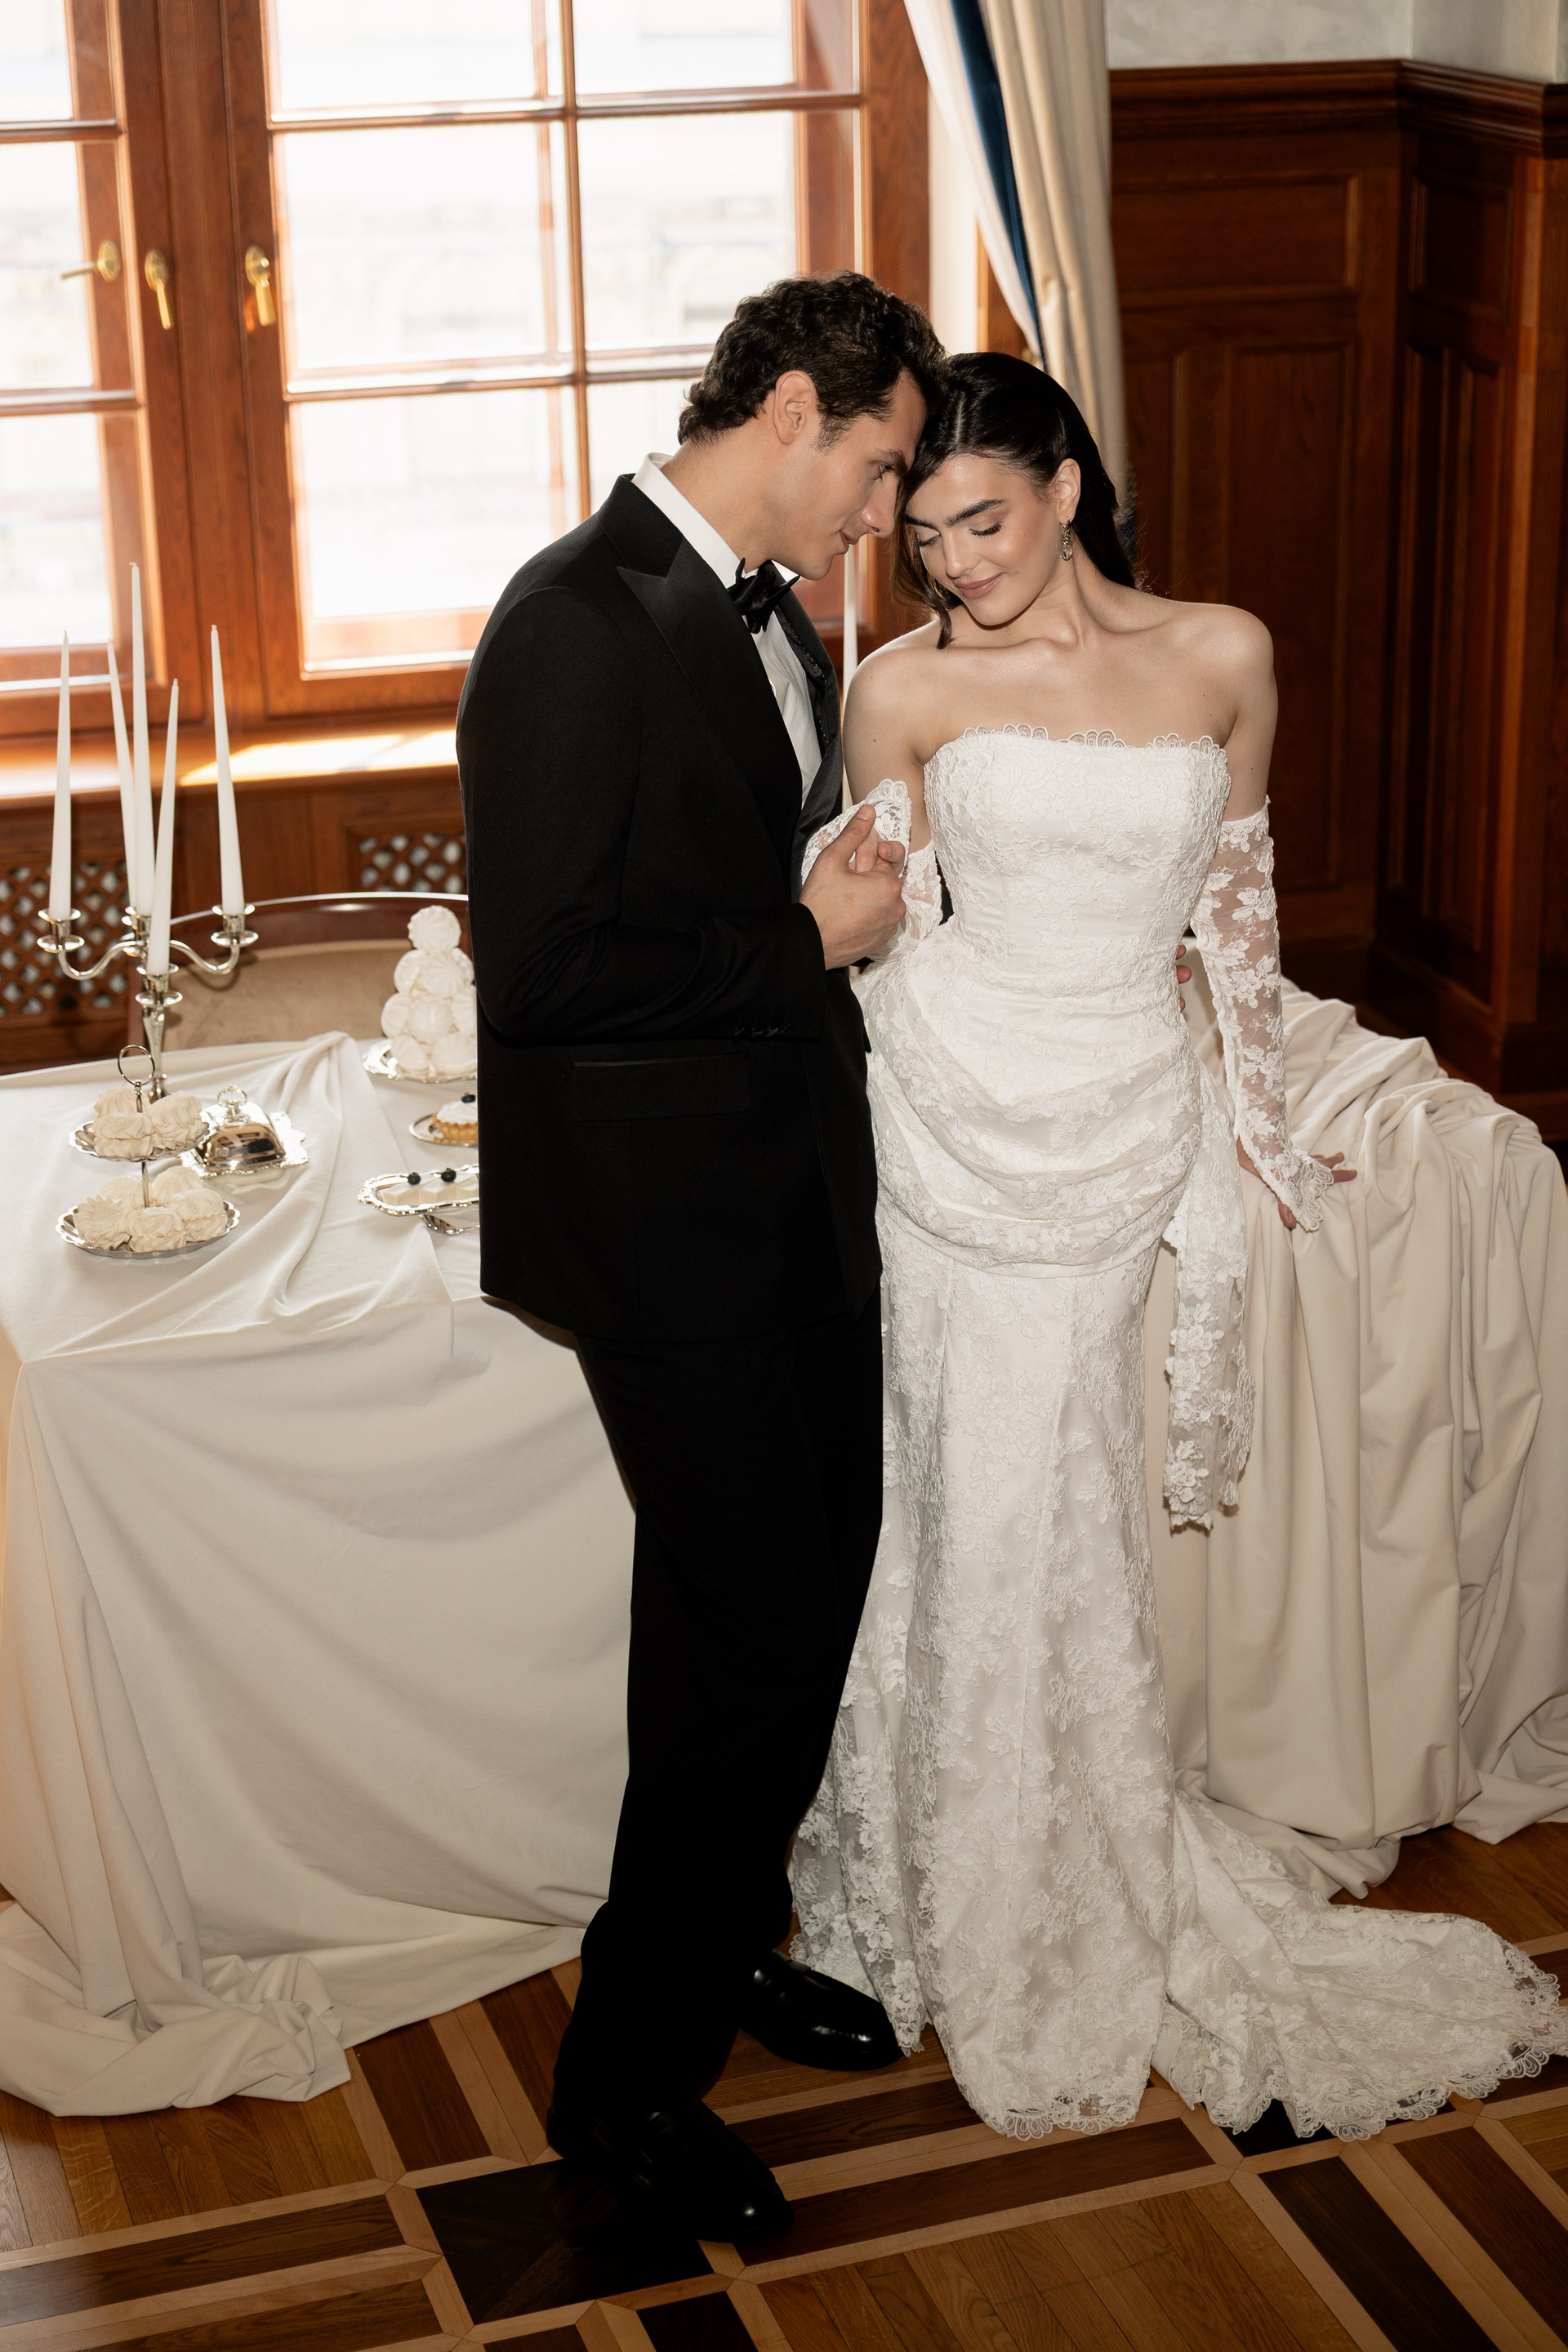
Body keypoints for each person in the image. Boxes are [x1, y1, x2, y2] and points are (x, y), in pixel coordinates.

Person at [791, 351, 1568, 2141]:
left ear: (1067, 483)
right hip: (952, 1124)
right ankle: (927, 1865)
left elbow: (1236, 909)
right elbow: (877, 917)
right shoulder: (902, 689)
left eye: (984, 522)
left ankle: (1070, 1847)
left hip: (1121, 1123)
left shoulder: (1224, 653)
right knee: (956, 1497)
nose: (957, 565)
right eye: (926, 540)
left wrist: (1268, 1131)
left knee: (1064, 1499)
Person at [457, 273, 947, 2242]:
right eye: (883, 467)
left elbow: (707, 872)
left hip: (790, 1192)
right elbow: (545, 973)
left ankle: (729, 1933)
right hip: (670, 1240)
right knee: (744, 1644)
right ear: (798, 413)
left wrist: (814, 886)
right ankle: (625, 2089)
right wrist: (800, 940)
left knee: (796, 1606)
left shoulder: (776, 609)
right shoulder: (571, 626)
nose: (888, 514)